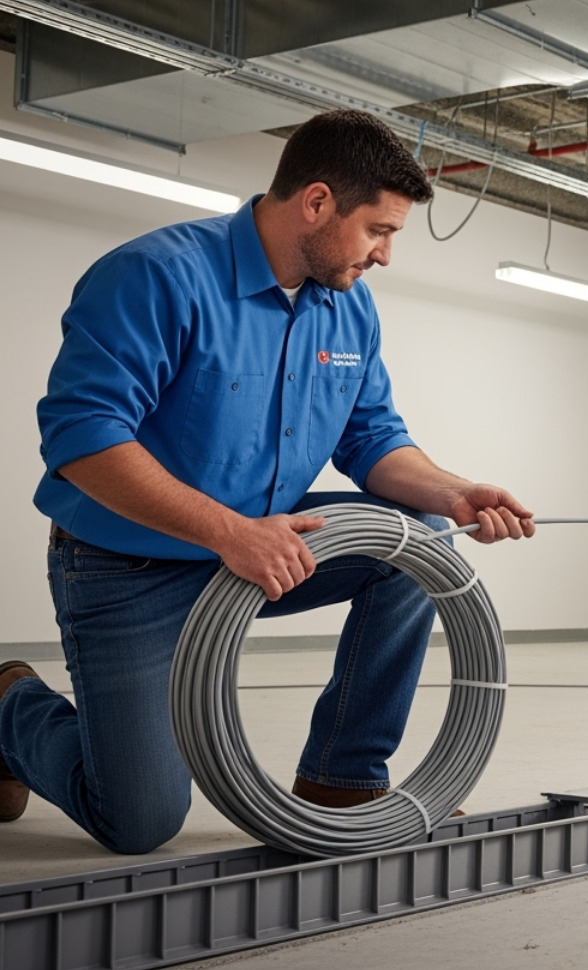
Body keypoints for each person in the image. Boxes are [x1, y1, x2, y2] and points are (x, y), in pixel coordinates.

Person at [0, 110, 536, 853]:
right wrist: (228, 531)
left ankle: (340, 778)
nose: (385, 255)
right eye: (379, 230)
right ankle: (10, 708)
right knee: (139, 820)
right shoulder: (158, 275)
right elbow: (83, 439)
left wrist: (450, 491)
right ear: (316, 203)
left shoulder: (348, 308)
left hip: (263, 543)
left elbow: (372, 437)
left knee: (421, 544)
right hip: (127, 566)